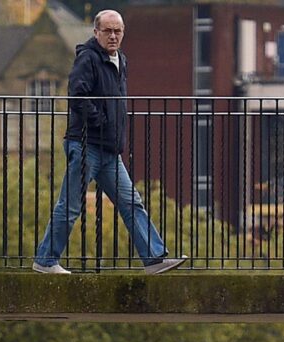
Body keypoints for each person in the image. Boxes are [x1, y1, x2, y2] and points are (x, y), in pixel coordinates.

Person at [32, 9, 188, 277]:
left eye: (118, 31)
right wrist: (100, 121)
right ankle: (46, 261)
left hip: (108, 150)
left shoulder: (120, 60)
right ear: (96, 33)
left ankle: (154, 259)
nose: (113, 35)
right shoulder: (88, 59)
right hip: (85, 145)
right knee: (70, 206)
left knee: (131, 203)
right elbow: (77, 96)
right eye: (108, 31)